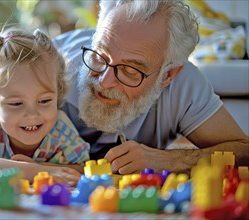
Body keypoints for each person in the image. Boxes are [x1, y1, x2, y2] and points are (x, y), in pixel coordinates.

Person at [52, 0, 248, 175]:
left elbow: (243, 151)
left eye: (130, 70)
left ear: (167, 76)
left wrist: (168, 160)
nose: (104, 81)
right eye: (100, 55)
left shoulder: (183, 84)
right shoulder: (53, 64)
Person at [0, 27, 90, 185]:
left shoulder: (61, 128)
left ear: (57, 91)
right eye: (16, 103)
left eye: (44, 101)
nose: (32, 114)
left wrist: (35, 166)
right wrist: (39, 171)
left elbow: (82, 168)